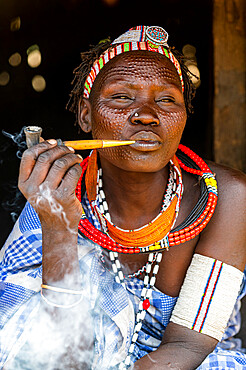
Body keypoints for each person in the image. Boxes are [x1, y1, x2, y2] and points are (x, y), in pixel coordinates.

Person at [0, 25, 246, 370]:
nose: (146, 115)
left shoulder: (228, 198)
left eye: (166, 100)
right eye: (121, 97)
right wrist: (59, 224)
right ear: (86, 116)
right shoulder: (54, 194)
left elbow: (189, 346)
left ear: (184, 118)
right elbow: (56, 357)